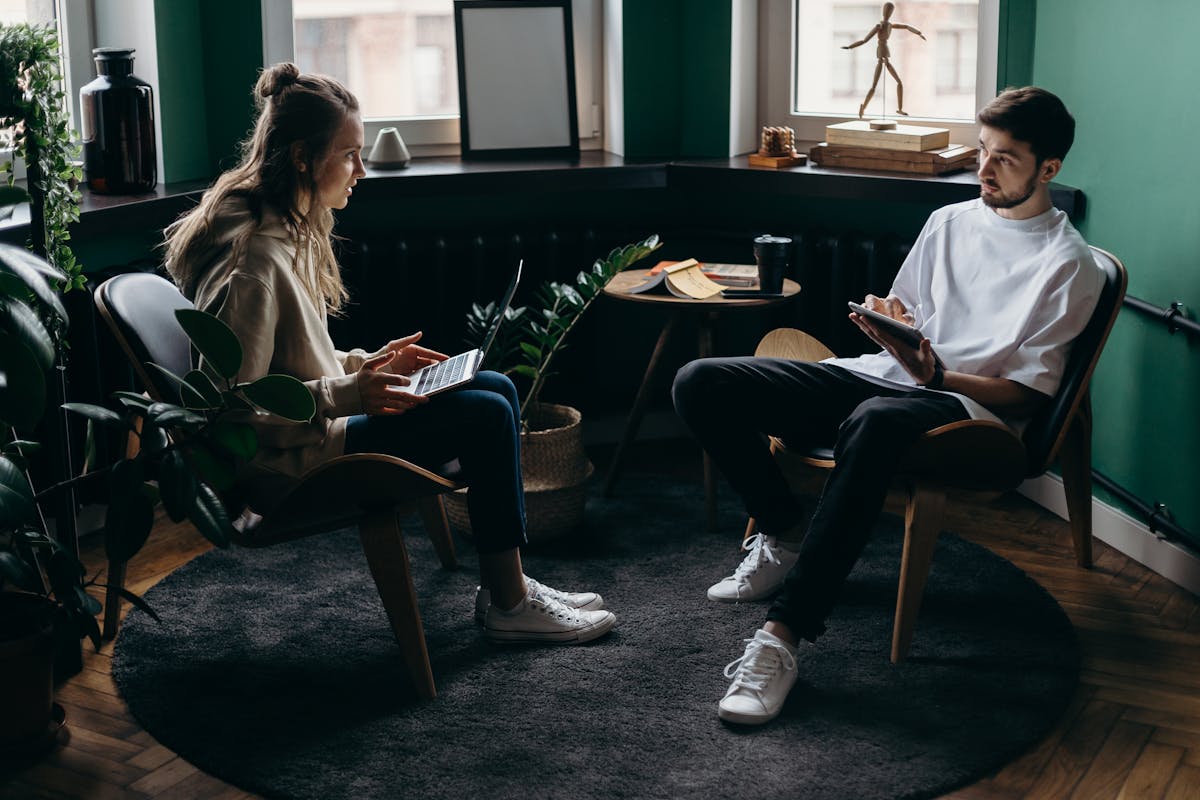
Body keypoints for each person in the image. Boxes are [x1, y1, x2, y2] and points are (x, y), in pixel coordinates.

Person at [672, 86, 1104, 725]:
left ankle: (782, 638)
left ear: (1050, 169)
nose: (983, 170)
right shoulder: (949, 221)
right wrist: (890, 323)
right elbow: (912, 311)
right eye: (982, 151)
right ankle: (784, 530)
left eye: (1005, 159)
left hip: (967, 412)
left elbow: (1025, 394)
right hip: (889, 376)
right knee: (700, 381)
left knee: (872, 423)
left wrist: (940, 372)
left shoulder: (1070, 265)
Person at [163, 63, 615, 645]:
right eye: (349, 154)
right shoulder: (255, 263)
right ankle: (509, 601)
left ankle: (512, 584)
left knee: (496, 387)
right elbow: (231, 414)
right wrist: (350, 393)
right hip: (292, 467)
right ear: (303, 157)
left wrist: (366, 365)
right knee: (488, 413)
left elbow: (294, 361)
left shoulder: (284, 229)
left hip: (319, 433)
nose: (361, 168)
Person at [842, 1, 926, 119]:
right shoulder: (879, 26)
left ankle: (899, 109)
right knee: (875, 86)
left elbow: (906, 27)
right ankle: (864, 107)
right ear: (883, 12)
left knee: (897, 82)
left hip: (885, 52)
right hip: (881, 52)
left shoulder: (891, 25)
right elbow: (865, 40)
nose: (888, 13)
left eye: (890, 11)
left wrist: (919, 33)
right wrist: (850, 47)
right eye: (887, 11)